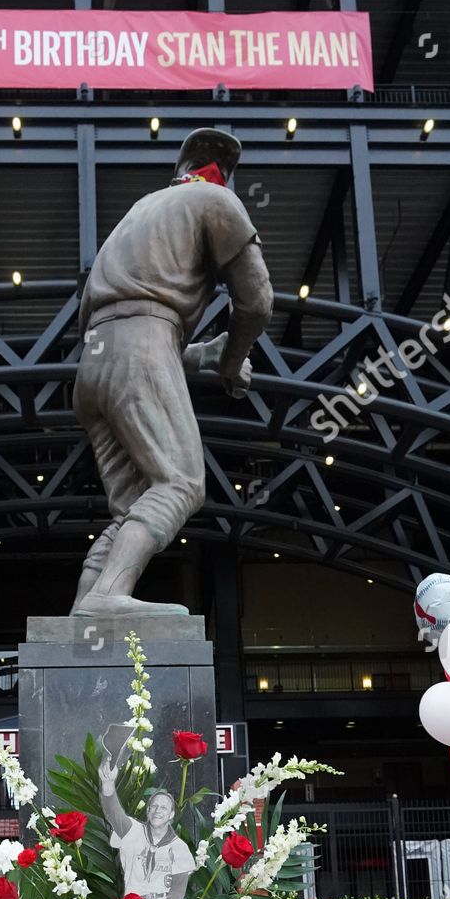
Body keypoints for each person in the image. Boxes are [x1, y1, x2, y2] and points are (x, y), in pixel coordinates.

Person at [71, 127, 274, 618]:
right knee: (181, 484)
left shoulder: (141, 211)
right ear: (223, 175)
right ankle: (105, 598)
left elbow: (130, 335)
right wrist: (229, 364)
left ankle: (84, 610)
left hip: (94, 364)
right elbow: (257, 302)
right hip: (140, 350)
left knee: (131, 509)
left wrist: (203, 354)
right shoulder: (216, 201)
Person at [98, 753, 195, 899]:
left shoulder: (179, 848)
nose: (158, 811)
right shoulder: (133, 831)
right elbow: (114, 814)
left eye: (164, 808)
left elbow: (177, 889)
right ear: (148, 810)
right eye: (154, 807)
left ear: (172, 815)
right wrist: (108, 785)